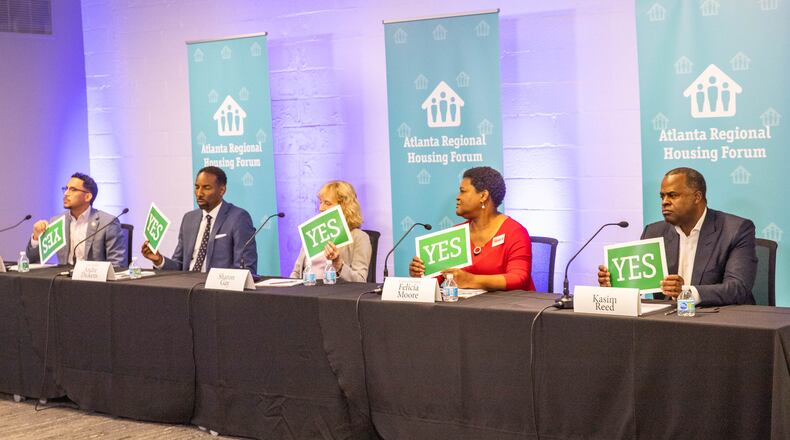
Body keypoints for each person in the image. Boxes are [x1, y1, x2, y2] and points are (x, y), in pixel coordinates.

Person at [598, 167, 757, 306]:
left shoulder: (735, 230)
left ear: (697, 197)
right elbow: (639, 285)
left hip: (719, 321)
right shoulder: (653, 232)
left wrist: (687, 292)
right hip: (667, 323)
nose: (664, 202)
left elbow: (737, 288)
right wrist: (615, 286)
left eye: (672, 195)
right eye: (662, 196)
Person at [409, 166, 535, 291]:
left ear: (483, 196)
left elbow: (518, 278)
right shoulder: (454, 235)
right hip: (466, 309)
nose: (458, 197)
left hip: (509, 307)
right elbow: (434, 280)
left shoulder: (514, 232)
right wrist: (421, 273)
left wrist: (471, 280)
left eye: (463, 191)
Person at [142, 166, 258, 274]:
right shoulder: (189, 219)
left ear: (222, 190)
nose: (199, 193)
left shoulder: (238, 218)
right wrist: (159, 260)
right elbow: (179, 266)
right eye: (197, 187)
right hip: (187, 288)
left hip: (218, 290)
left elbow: (245, 268)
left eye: (206, 188)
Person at [26, 172, 128, 268]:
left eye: (73, 190)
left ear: (87, 196)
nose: (66, 193)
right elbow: (32, 259)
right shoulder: (57, 221)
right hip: (64, 281)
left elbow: (117, 265)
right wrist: (36, 237)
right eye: (66, 189)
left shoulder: (107, 223)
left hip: (95, 282)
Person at [290, 180, 372, 282]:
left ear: (344, 206)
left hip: (336, 295)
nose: (321, 208)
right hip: (306, 292)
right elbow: (296, 273)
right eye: (320, 202)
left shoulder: (359, 237)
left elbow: (360, 280)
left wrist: (339, 264)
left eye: (327, 203)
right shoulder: (313, 233)